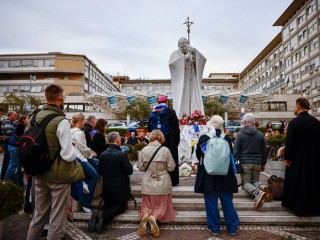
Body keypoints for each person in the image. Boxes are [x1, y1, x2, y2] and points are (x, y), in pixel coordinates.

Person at [27, 84, 78, 240]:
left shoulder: (33, 118)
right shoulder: (61, 121)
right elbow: (68, 155)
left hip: (39, 173)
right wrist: (75, 150)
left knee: (38, 215)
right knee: (57, 217)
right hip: (58, 177)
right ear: (60, 97)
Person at [194, 115, 239, 236]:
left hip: (208, 175)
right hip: (225, 174)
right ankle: (232, 227)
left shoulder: (204, 138)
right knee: (227, 201)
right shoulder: (227, 138)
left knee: (211, 201)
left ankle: (214, 228)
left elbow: (199, 155)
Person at [282, 97, 320, 216]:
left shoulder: (294, 122)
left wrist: (287, 157)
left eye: (294, 106)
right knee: (312, 182)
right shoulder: (316, 122)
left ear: (298, 106)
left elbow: (290, 142)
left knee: (297, 183)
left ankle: (297, 207)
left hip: (297, 159)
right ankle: (313, 208)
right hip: (314, 159)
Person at [137, 130, 176, 238]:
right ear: (161, 138)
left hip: (148, 181)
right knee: (162, 204)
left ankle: (145, 215)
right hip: (162, 182)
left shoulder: (144, 150)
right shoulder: (165, 150)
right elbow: (171, 167)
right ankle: (154, 217)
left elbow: (140, 167)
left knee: (147, 204)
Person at [96, 131, 133, 234]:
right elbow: (129, 170)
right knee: (120, 206)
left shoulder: (103, 154)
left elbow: (100, 171)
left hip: (107, 186)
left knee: (108, 203)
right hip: (120, 187)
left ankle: (98, 213)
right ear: (117, 140)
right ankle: (103, 217)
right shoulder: (121, 154)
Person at [233, 113, 272, 209]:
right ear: (254, 122)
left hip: (245, 162)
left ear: (244, 121)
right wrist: (263, 163)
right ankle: (262, 187)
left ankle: (258, 193)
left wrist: (237, 164)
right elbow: (264, 150)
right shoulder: (260, 135)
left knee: (245, 183)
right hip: (257, 162)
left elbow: (236, 151)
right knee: (254, 181)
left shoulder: (240, 134)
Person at [169, 37, 206, 119]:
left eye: (186, 46)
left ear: (188, 44)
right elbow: (172, 65)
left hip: (192, 80)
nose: (184, 48)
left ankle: (195, 115)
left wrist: (195, 52)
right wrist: (184, 59)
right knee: (184, 97)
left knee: (193, 96)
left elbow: (202, 60)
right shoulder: (175, 54)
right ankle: (183, 116)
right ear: (178, 46)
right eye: (182, 47)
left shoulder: (192, 51)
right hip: (182, 82)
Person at [148, 96, 180, 186]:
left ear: (158, 102)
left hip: (156, 139)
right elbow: (176, 128)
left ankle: (157, 178)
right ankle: (172, 180)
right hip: (170, 139)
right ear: (166, 102)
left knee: (157, 157)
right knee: (171, 157)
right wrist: (177, 140)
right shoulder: (171, 111)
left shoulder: (153, 112)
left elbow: (149, 127)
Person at [70, 112, 99, 213]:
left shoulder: (72, 131)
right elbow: (83, 148)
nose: (85, 123)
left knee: (98, 164)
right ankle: (85, 201)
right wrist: (92, 154)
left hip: (78, 157)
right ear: (81, 121)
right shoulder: (78, 132)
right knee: (94, 176)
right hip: (80, 158)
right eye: (84, 121)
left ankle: (85, 181)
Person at [4, 115, 28, 186]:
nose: (28, 120)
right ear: (24, 120)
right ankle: (5, 182)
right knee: (13, 165)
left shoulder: (19, 126)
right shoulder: (21, 128)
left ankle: (18, 182)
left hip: (13, 146)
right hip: (14, 147)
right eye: (27, 119)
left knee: (16, 165)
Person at [0, 111, 18, 180]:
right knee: (8, 160)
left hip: (6, 141)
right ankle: (6, 178)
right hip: (6, 142)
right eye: (15, 115)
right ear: (10, 115)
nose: (16, 117)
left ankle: (3, 176)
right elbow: (10, 133)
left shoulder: (11, 122)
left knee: (6, 160)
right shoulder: (7, 121)